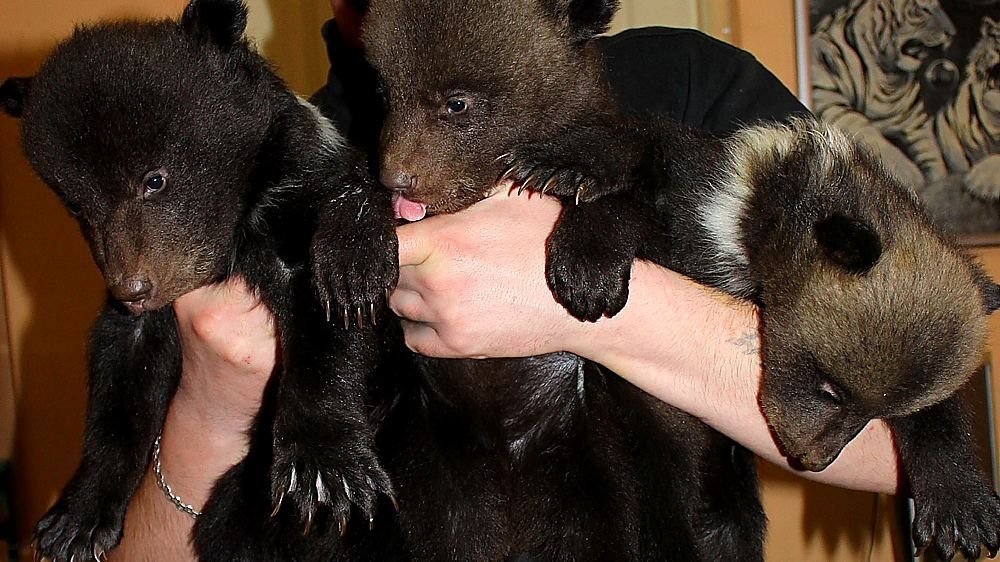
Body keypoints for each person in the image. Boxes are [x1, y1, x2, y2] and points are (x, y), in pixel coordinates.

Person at [108, 1, 901, 559]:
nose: (400, 159)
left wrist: (597, 310)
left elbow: (912, 430)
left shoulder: (688, 88)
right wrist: (210, 411)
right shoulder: (260, 158)